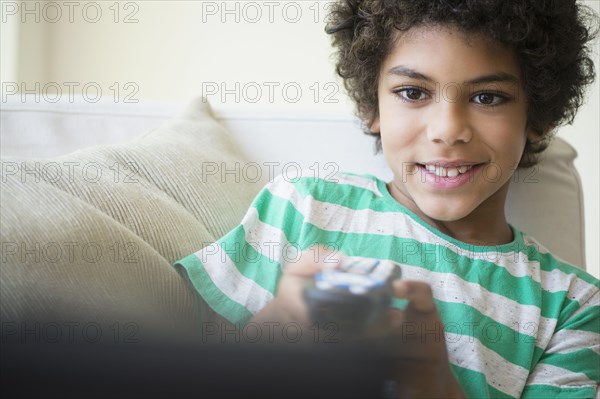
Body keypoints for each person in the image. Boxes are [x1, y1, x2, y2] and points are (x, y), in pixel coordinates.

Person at [175, 0, 599, 397]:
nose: (446, 130)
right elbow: (177, 372)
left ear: (538, 115)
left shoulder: (573, 306)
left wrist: (433, 383)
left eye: (487, 97)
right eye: (414, 92)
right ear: (371, 106)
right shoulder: (303, 207)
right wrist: (278, 326)